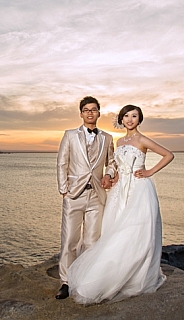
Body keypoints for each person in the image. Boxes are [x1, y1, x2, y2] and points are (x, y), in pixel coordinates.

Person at [67, 104, 174, 304]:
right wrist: (113, 177)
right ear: (121, 119)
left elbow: (168, 155)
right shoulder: (119, 141)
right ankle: (113, 272)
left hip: (138, 189)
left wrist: (149, 171)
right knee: (114, 230)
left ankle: (135, 276)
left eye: (134, 116)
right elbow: (118, 165)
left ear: (139, 119)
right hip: (120, 190)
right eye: (126, 116)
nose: (130, 120)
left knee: (135, 231)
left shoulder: (142, 139)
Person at [55, 96, 117, 299]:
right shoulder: (70, 135)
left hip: (96, 195)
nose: (90, 113)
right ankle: (66, 282)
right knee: (69, 241)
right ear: (81, 113)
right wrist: (64, 190)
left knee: (92, 241)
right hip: (74, 194)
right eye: (86, 110)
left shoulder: (107, 138)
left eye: (94, 109)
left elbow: (112, 162)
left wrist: (108, 175)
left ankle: (85, 280)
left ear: (99, 113)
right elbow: (62, 162)